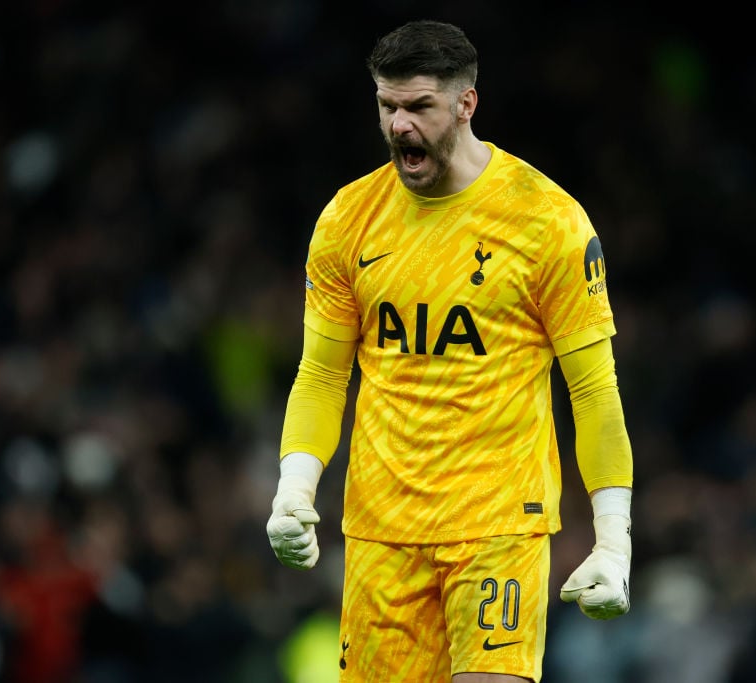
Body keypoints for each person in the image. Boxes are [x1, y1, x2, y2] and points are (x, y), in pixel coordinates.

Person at [267, 19, 634, 683]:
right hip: (382, 528)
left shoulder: (547, 221)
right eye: (387, 106)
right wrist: (295, 486)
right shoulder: (347, 220)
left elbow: (594, 388)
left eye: (418, 107)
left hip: (497, 523)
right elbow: (322, 373)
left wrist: (615, 538)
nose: (399, 126)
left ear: (465, 104)